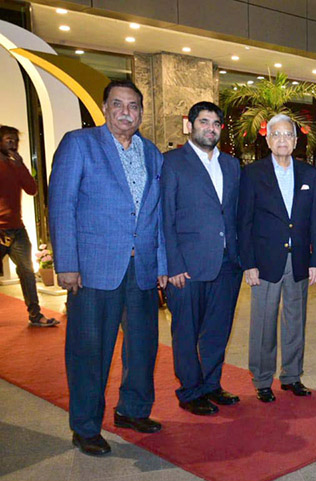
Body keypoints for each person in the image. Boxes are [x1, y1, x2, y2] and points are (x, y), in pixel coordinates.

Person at [49, 80, 167, 456]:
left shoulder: (152, 153)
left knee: (143, 347)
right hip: (95, 268)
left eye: (133, 106)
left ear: (142, 112)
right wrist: (66, 263)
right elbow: (61, 205)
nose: (125, 112)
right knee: (89, 351)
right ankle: (85, 426)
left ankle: (132, 410)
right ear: (104, 108)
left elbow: (157, 215)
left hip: (142, 268)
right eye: (118, 104)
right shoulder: (79, 144)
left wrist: (162, 264)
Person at [161, 101, 242, 416]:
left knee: (217, 330)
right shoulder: (172, 163)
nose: (211, 128)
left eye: (216, 123)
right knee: (186, 331)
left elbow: (235, 216)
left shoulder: (232, 165)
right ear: (190, 125)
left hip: (227, 264)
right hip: (188, 268)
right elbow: (164, 218)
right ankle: (190, 390)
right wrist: (173, 265)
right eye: (204, 121)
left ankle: (211, 384)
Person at [238, 114, 316, 403]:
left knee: (295, 320)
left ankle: (291, 376)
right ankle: (262, 378)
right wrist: (248, 263)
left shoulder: (310, 174)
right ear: (267, 139)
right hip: (264, 261)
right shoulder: (252, 173)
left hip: (298, 259)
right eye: (277, 135)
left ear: (296, 141)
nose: (283, 140)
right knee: (263, 322)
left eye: (288, 135)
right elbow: (244, 222)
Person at [0, 125, 58, 327]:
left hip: (17, 229)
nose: (13, 144)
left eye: (15, 140)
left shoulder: (16, 165)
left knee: (26, 271)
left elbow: (32, 189)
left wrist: (21, 166)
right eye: (9, 139)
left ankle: (35, 315)